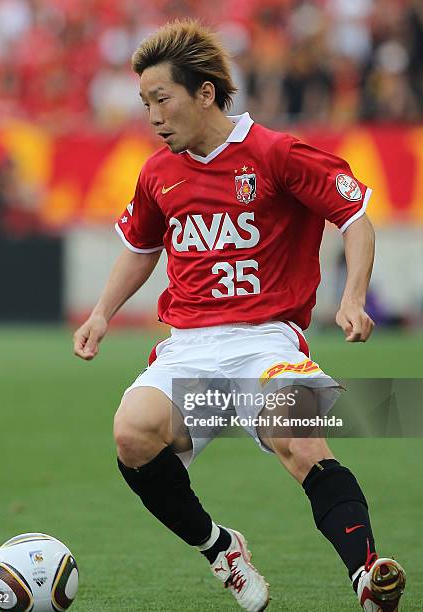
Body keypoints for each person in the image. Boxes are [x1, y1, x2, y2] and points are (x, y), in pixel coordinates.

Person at [73, 20, 406, 612]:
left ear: (205, 93)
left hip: (267, 345)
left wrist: (352, 295)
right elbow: (142, 248)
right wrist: (101, 312)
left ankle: (367, 573)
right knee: (132, 435)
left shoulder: (276, 153)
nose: (151, 115)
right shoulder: (158, 173)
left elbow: (355, 217)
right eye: (145, 102)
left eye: (161, 98)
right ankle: (220, 548)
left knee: (298, 442)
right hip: (191, 349)